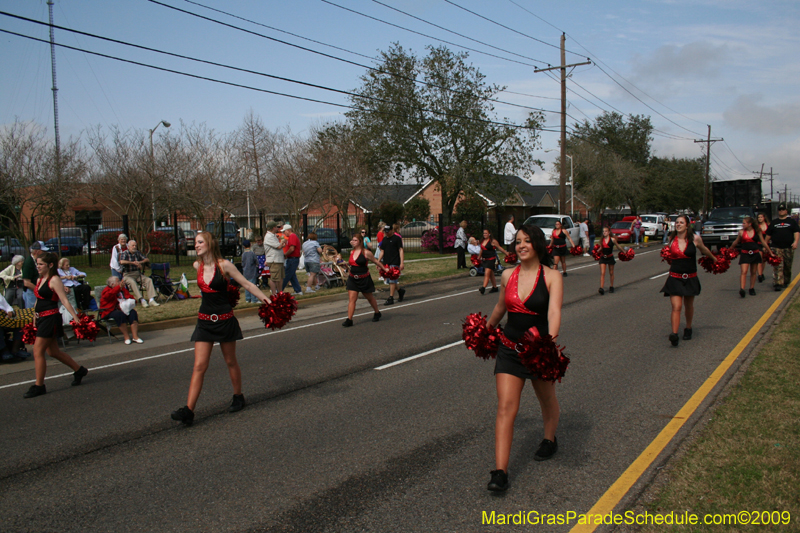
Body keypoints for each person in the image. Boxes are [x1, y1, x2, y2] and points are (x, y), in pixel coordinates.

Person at [485, 225, 563, 491]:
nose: (521, 245)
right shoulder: (508, 274)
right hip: (509, 349)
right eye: (518, 241)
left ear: (537, 244)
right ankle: (500, 472)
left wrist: (550, 344)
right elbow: (500, 307)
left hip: (537, 350)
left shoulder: (552, 276)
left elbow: (554, 313)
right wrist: (484, 331)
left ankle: (549, 439)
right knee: (506, 407)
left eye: (527, 241)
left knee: (546, 399)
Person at [171, 231, 272, 426]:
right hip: (205, 322)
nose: (196, 245)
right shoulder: (197, 266)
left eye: (200, 242)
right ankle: (188, 410)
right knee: (199, 365)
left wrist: (268, 302)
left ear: (209, 243)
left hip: (225, 320)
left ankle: (238, 396)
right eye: (195, 243)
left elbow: (247, 284)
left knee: (230, 361)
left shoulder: (224, 265)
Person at [23, 252, 87, 398]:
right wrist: (35, 316)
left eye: (41, 264)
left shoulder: (54, 280)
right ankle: (79, 370)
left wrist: (75, 316)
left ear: (50, 265)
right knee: (53, 352)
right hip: (41, 319)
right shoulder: (40, 279)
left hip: (50, 319)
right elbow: (38, 299)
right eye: (37, 264)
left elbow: (64, 300)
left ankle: (39, 386)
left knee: (37, 351)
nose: (38, 266)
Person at [660, 215, 718, 347]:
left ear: (687, 225)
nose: (678, 224)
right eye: (677, 222)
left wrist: (715, 259)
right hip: (675, 277)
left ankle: (688, 328)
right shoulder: (671, 239)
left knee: (688, 305)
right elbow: (668, 255)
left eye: (681, 222)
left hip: (690, 277)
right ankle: (674, 334)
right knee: (676, 306)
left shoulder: (695, 239)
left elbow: (704, 250)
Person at [342, 234, 385, 327]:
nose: (353, 242)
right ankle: (349, 319)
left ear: (360, 241)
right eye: (352, 240)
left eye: (355, 240)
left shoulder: (366, 252)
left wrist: (385, 269)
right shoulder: (351, 252)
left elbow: (376, 261)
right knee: (352, 299)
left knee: (369, 298)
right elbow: (352, 264)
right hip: (353, 279)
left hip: (364, 279)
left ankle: (377, 312)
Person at [727, 217, 773, 297]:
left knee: (753, 272)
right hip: (745, 254)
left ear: (749, 224)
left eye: (744, 223)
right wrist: (729, 250)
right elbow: (736, 242)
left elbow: (763, 242)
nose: (742, 224)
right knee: (744, 271)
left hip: (755, 253)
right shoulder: (741, 232)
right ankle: (742, 289)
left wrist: (770, 252)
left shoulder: (757, 231)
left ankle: (751, 288)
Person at [99, 276, 143, 345]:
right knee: (120, 315)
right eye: (118, 281)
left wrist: (131, 301)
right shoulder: (107, 290)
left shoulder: (122, 289)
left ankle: (135, 337)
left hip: (123, 308)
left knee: (133, 313)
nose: (120, 282)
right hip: (109, 310)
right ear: (112, 284)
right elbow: (110, 295)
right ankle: (127, 337)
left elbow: (128, 296)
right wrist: (119, 287)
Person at [766, 203, 800, 291]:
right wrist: (765, 245)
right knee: (778, 265)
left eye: (783, 210)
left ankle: (786, 280)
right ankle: (777, 283)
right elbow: (768, 235)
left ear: (786, 211)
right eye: (780, 210)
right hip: (776, 247)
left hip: (788, 247)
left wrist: (795, 242)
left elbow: (796, 232)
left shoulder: (791, 222)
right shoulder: (774, 222)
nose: (781, 211)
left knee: (787, 265)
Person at [119, 239, 160, 308]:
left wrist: (140, 262)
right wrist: (133, 263)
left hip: (137, 274)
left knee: (148, 280)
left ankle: (151, 300)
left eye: (135, 245)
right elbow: (122, 261)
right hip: (127, 275)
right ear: (128, 247)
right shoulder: (125, 253)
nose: (134, 247)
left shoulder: (137, 253)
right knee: (132, 282)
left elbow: (146, 259)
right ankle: (142, 300)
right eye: (133, 245)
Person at [597, 226, 627, 295]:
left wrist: (623, 251)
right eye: (603, 231)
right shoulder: (602, 240)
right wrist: (596, 251)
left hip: (610, 257)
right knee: (602, 273)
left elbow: (618, 246)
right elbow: (601, 247)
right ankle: (601, 288)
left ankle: (611, 286)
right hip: (603, 258)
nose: (604, 232)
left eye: (606, 231)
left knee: (611, 272)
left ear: (609, 232)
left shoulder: (612, 239)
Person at [380, 225, 405, 305]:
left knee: (392, 280)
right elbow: (382, 251)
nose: (387, 233)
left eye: (388, 231)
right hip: (387, 262)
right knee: (390, 281)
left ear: (391, 230)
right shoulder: (384, 239)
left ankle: (391, 297)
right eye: (385, 231)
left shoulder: (397, 239)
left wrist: (401, 262)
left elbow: (401, 250)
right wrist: (378, 261)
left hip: (395, 262)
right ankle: (400, 291)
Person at [478, 229, 508, 294]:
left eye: (486, 233)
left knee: (487, 273)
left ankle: (483, 287)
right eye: (484, 233)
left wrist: (506, 253)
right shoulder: (482, 241)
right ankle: (495, 287)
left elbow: (499, 248)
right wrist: (478, 258)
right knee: (491, 273)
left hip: (491, 259)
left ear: (489, 234)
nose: (484, 234)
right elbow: (481, 250)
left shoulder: (493, 241)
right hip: (485, 259)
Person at [22, 241, 48, 309]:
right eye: (43, 251)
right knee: (33, 310)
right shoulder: (29, 262)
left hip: (37, 290)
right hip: (32, 292)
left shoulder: (37, 261)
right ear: (37, 252)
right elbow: (26, 283)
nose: (45, 253)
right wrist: (39, 290)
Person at [263, 221, 285, 294]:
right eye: (276, 227)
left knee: (280, 278)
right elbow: (278, 246)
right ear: (273, 228)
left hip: (279, 260)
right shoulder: (269, 236)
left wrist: (281, 242)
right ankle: (274, 294)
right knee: (274, 278)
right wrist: (282, 241)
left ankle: (280, 292)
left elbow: (280, 246)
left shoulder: (274, 235)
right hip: (274, 260)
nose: (277, 228)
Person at [281, 224, 303, 294]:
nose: (284, 233)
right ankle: (298, 290)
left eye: (284, 231)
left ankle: (280, 289)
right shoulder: (291, 237)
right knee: (292, 275)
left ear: (288, 230)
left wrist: (285, 254)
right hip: (292, 258)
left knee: (287, 274)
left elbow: (292, 248)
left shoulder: (292, 236)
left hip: (292, 258)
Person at [756, 213, 770, 283]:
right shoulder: (756, 226)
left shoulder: (768, 225)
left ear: (764, 218)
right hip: (758, 244)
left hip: (766, 244)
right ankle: (759, 275)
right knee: (759, 259)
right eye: (759, 217)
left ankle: (761, 272)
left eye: (761, 217)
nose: (760, 219)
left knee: (763, 260)